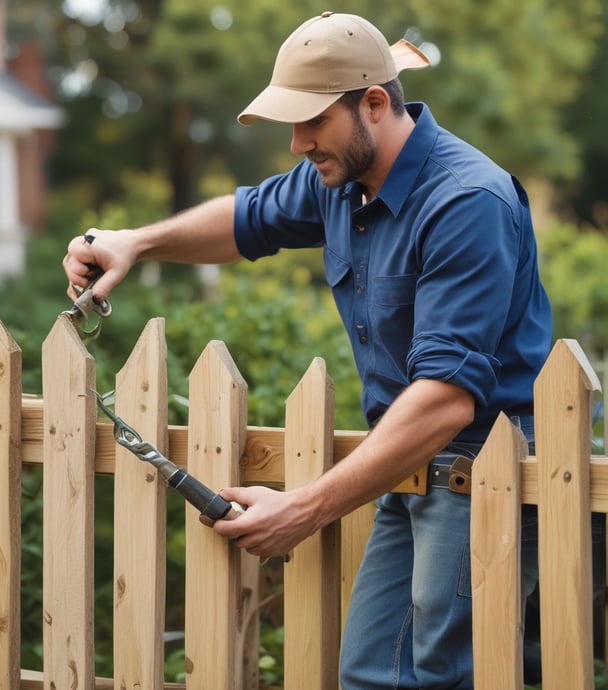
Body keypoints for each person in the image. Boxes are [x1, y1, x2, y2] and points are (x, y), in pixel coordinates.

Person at [62, 11, 552, 689]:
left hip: (478, 475)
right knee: (372, 675)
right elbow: (245, 219)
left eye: (311, 123)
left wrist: (305, 508)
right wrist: (136, 241)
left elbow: (445, 400)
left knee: (435, 676)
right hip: (406, 471)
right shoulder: (345, 181)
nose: (296, 144)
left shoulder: (466, 201)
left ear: (373, 104)